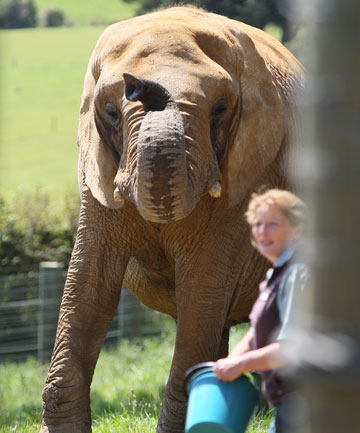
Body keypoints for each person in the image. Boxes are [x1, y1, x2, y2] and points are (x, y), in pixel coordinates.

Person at [214, 188, 308, 433]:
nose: (262, 232)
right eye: (258, 224)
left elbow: (292, 347)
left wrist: (240, 365)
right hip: (288, 403)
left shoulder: (299, 273)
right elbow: (256, 333)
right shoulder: (276, 274)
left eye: (273, 224)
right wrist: (228, 364)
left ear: (298, 228)